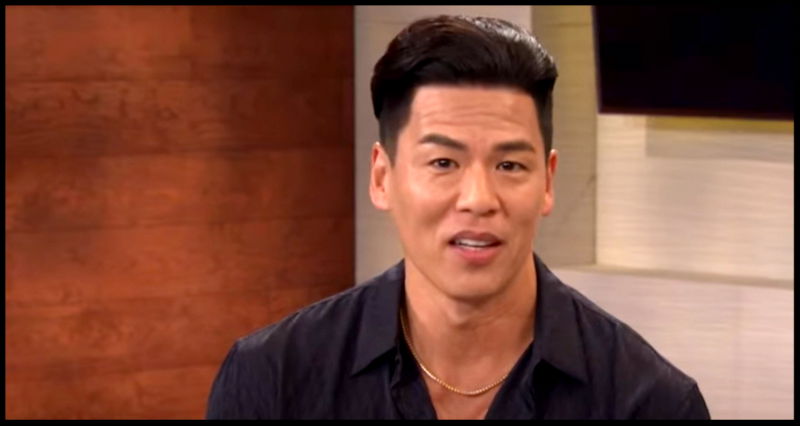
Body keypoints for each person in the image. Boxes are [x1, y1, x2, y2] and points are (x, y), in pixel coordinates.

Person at [206, 15, 711, 420]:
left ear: (548, 182)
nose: (478, 199)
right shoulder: (273, 379)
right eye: (443, 163)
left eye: (509, 165)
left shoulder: (648, 401)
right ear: (382, 177)